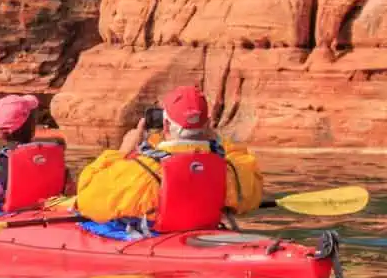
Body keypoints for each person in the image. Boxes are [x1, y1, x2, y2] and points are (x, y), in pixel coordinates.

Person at [74, 86, 264, 233]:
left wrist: (122, 152)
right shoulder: (231, 170)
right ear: (207, 124)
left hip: (156, 240)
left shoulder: (141, 172)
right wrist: (215, 140)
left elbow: (86, 200)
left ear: (165, 124)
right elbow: (250, 187)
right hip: (203, 235)